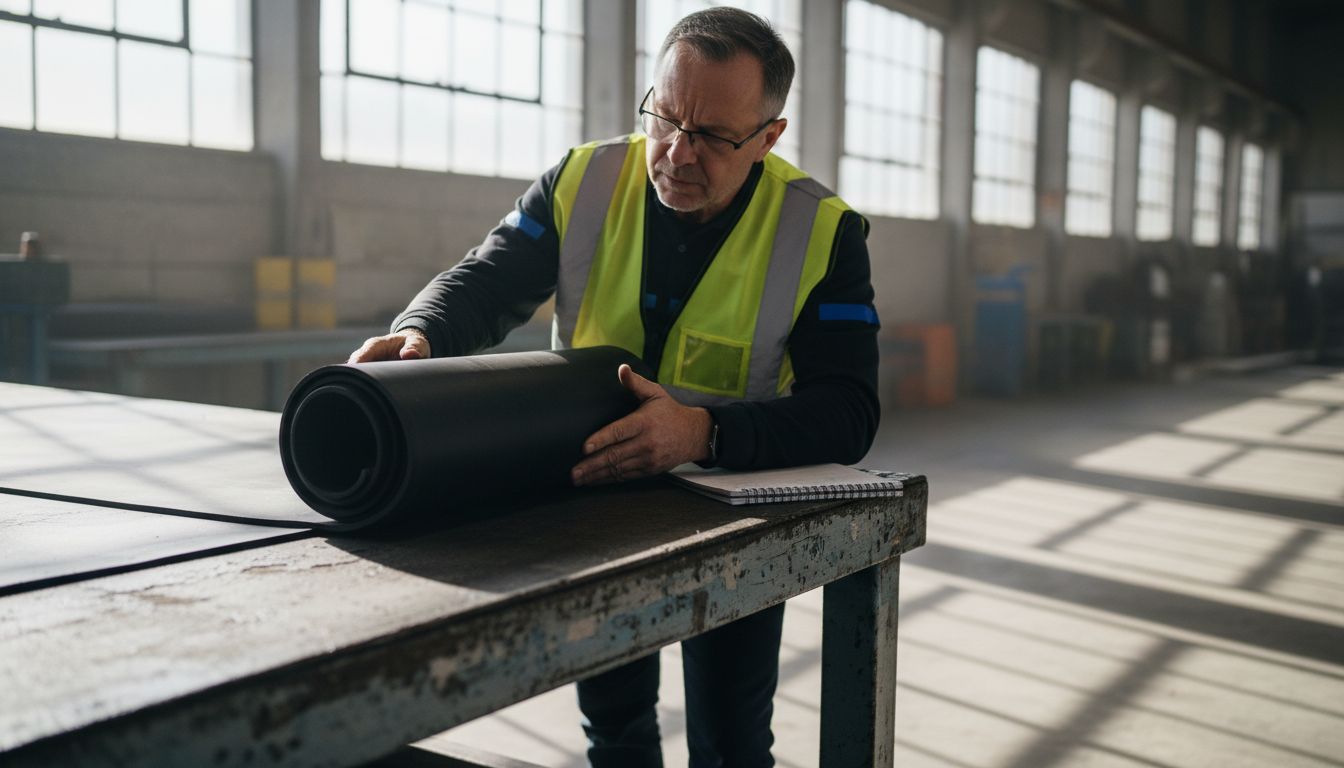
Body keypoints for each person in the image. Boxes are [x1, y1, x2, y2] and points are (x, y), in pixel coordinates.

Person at [350, 8, 879, 766]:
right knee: (617, 734)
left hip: (733, 512)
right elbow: (485, 281)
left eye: (713, 136)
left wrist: (704, 433)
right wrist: (422, 331)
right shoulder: (586, 180)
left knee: (732, 742)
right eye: (665, 116)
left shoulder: (823, 232)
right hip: (596, 498)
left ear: (768, 137)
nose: (676, 152)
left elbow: (849, 413)